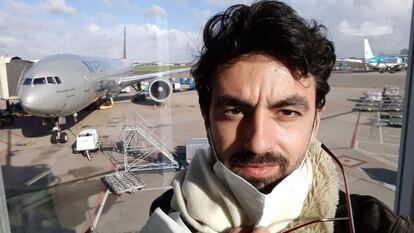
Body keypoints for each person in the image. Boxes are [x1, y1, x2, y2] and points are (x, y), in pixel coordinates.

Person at [141, 1, 414, 232]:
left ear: (315, 121)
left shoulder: (370, 224)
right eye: (234, 111)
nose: (258, 142)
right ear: (206, 116)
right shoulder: (165, 214)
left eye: (287, 112)